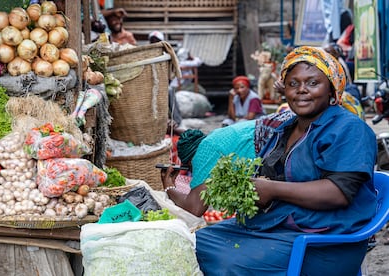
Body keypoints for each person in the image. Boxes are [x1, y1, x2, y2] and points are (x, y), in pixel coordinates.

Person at [194, 46, 377, 275]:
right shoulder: (284, 128)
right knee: (193, 242)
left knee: (224, 263)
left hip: (324, 242)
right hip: (277, 227)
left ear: (332, 89)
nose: (301, 90)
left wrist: (271, 190)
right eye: (293, 83)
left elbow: (338, 193)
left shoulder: (348, 129)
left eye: (313, 83)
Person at [161, 111, 294, 216]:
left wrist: (168, 186)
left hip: (284, 136)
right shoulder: (216, 137)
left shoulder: (204, 150)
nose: (194, 171)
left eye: (191, 167)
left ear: (191, 160)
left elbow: (194, 208)